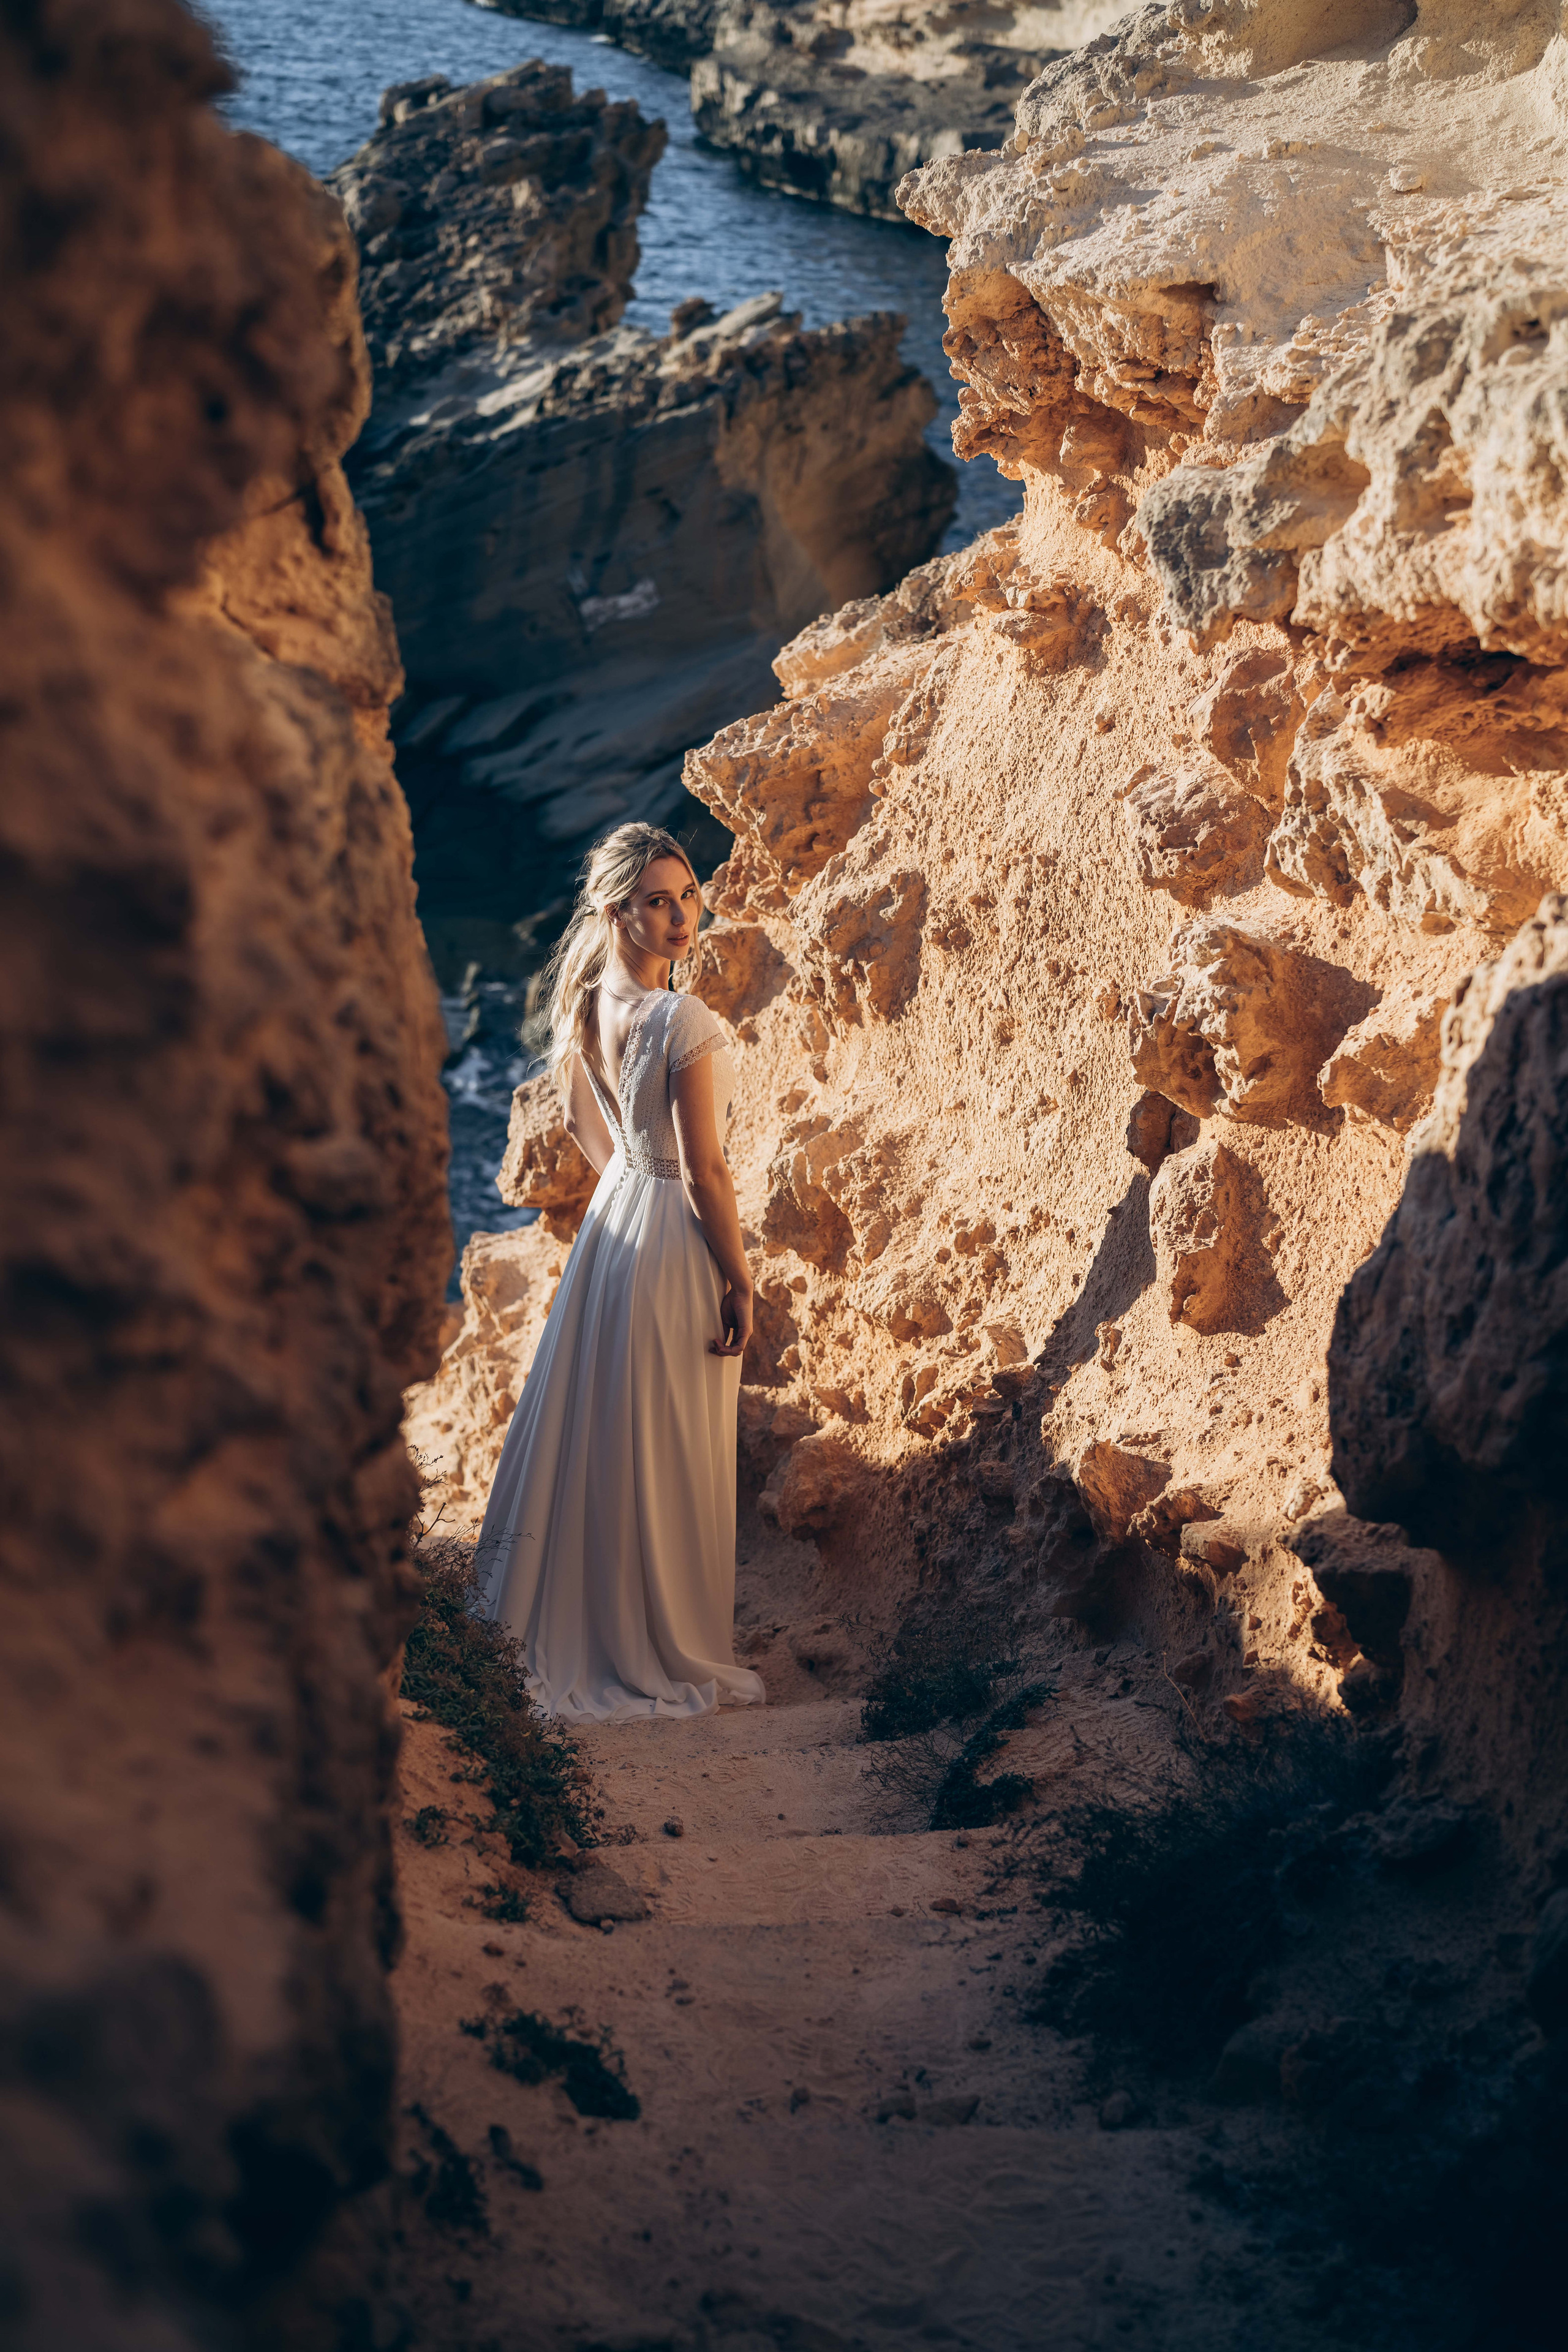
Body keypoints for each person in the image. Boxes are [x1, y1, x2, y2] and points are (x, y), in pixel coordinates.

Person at [475, 823, 767, 1723]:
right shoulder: (681, 1018)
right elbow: (707, 1169)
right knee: (669, 1441)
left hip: (616, 1227)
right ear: (617, 912)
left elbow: (585, 1135)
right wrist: (739, 1277)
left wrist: (629, 1192)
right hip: (670, 1233)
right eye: (657, 902)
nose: (681, 917)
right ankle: (656, 1640)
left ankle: (594, 1622)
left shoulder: (586, 1005)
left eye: (688, 896)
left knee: (610, 1437)